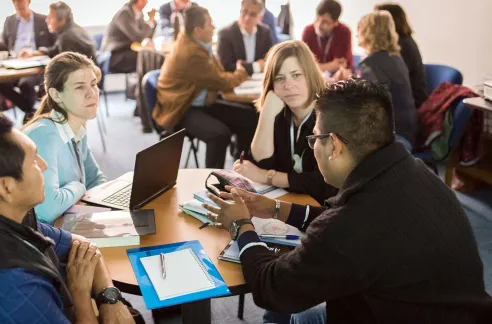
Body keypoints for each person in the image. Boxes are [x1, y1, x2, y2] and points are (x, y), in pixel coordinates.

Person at [202, 79, 491, 324]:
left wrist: (240, 224)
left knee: (294, 316)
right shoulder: (410, 170)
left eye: (315, 139)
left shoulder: (353, 223)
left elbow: (273, 289)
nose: (312, 146)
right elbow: (351, 229)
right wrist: (273, 208)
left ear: (335, 146)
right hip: (454, 312)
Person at [0, 110, 135, 323]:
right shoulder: (11, 289)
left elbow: (84, 247)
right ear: (6, 187)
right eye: (34, 161)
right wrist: (80, 294)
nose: (44, 166)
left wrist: (110, 298)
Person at [153, 5, 258, 169]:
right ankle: (212, 184)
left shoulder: (195, 43)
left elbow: (214, 77)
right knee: (220, 135)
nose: (214, 27)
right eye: (210, 24)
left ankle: (243, 168)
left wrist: (212, 87)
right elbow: (221, 81)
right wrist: (242, 72)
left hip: (195, 101)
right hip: (181, 109)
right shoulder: (191, 53)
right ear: (197, 30)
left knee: (250, 116)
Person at [233, 41, 337, 206]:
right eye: (279, 78)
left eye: (296, 75)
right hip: (287, 206)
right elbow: (258, 163)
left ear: (310, 76)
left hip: (325, 211)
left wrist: (267, 176)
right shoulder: (279, 113)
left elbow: (325, 183)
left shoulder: (331, 116)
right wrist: (266, 115)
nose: (288, 85)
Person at [23, 52, 107, 224]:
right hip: (43, 238)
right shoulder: (43, 135)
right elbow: (48, 209)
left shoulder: (77, 129)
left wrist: (110, 199)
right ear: (56, 95)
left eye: (93, 84)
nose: (92, 93)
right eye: (79, 87)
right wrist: (78, 186)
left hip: (67, 222)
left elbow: (94, 178)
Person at [351, 10, 417, 149]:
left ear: (367, 33)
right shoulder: (396, 58)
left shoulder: (369, 64)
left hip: (391, 139)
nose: (357, 34)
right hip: (408, 134)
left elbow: (361, 104)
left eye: (359, 29)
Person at [0, 0, 56, 121]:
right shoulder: (9, 21)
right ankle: (32, 111)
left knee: (25, 84)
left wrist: (37, 52)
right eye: (14, 1)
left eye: (20, 0)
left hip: (37, 64)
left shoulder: (43, 20)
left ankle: (31, 114)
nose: (17, 3)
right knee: (0, 84)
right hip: (16, 62)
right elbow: (4, 43)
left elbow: (54, 45)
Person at [375, 3, 428, 108]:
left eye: (376, 19)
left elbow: (389, 82)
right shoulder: (396, 42)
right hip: (398, 99)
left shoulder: (402, 46)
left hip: (410, 103)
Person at [20, 2, 97, 63]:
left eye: (50, 17)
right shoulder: (72, 29)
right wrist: (34, 53)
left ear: (62, 20)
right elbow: (55, 50)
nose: (47, 20)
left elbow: (66, 65)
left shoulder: (68, 37)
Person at [217, 0, 275, 74]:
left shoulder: (265, 32)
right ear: (240, 11)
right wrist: (256, 67)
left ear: (260, 18)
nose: (247, 18)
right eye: (245, 12)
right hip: (236, 82)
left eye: (253, 14)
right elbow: (226, 66)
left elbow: (270, 60)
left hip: (260, 79)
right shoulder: (225, 34)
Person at [101, 0, 156, 73]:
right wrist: (150, 21)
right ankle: (144, 82)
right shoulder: (124, 13)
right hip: (114, 55)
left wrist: (151, 22)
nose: (146, 2)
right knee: (147, 58)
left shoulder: (139, 13)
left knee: (150, 56)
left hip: (126, 51)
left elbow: (145, 35)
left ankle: (144, 81)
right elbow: (138, 38)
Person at [301, 0, 353, 73]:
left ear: (336, 22)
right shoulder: (308, 31)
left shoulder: (344, 32)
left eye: (325, 22)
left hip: (339, 77)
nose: (318, 25)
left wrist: (315, 67)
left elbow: (340, 65)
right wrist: (330, 66)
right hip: (314, 76)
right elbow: (303, 66)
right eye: (317, 19)